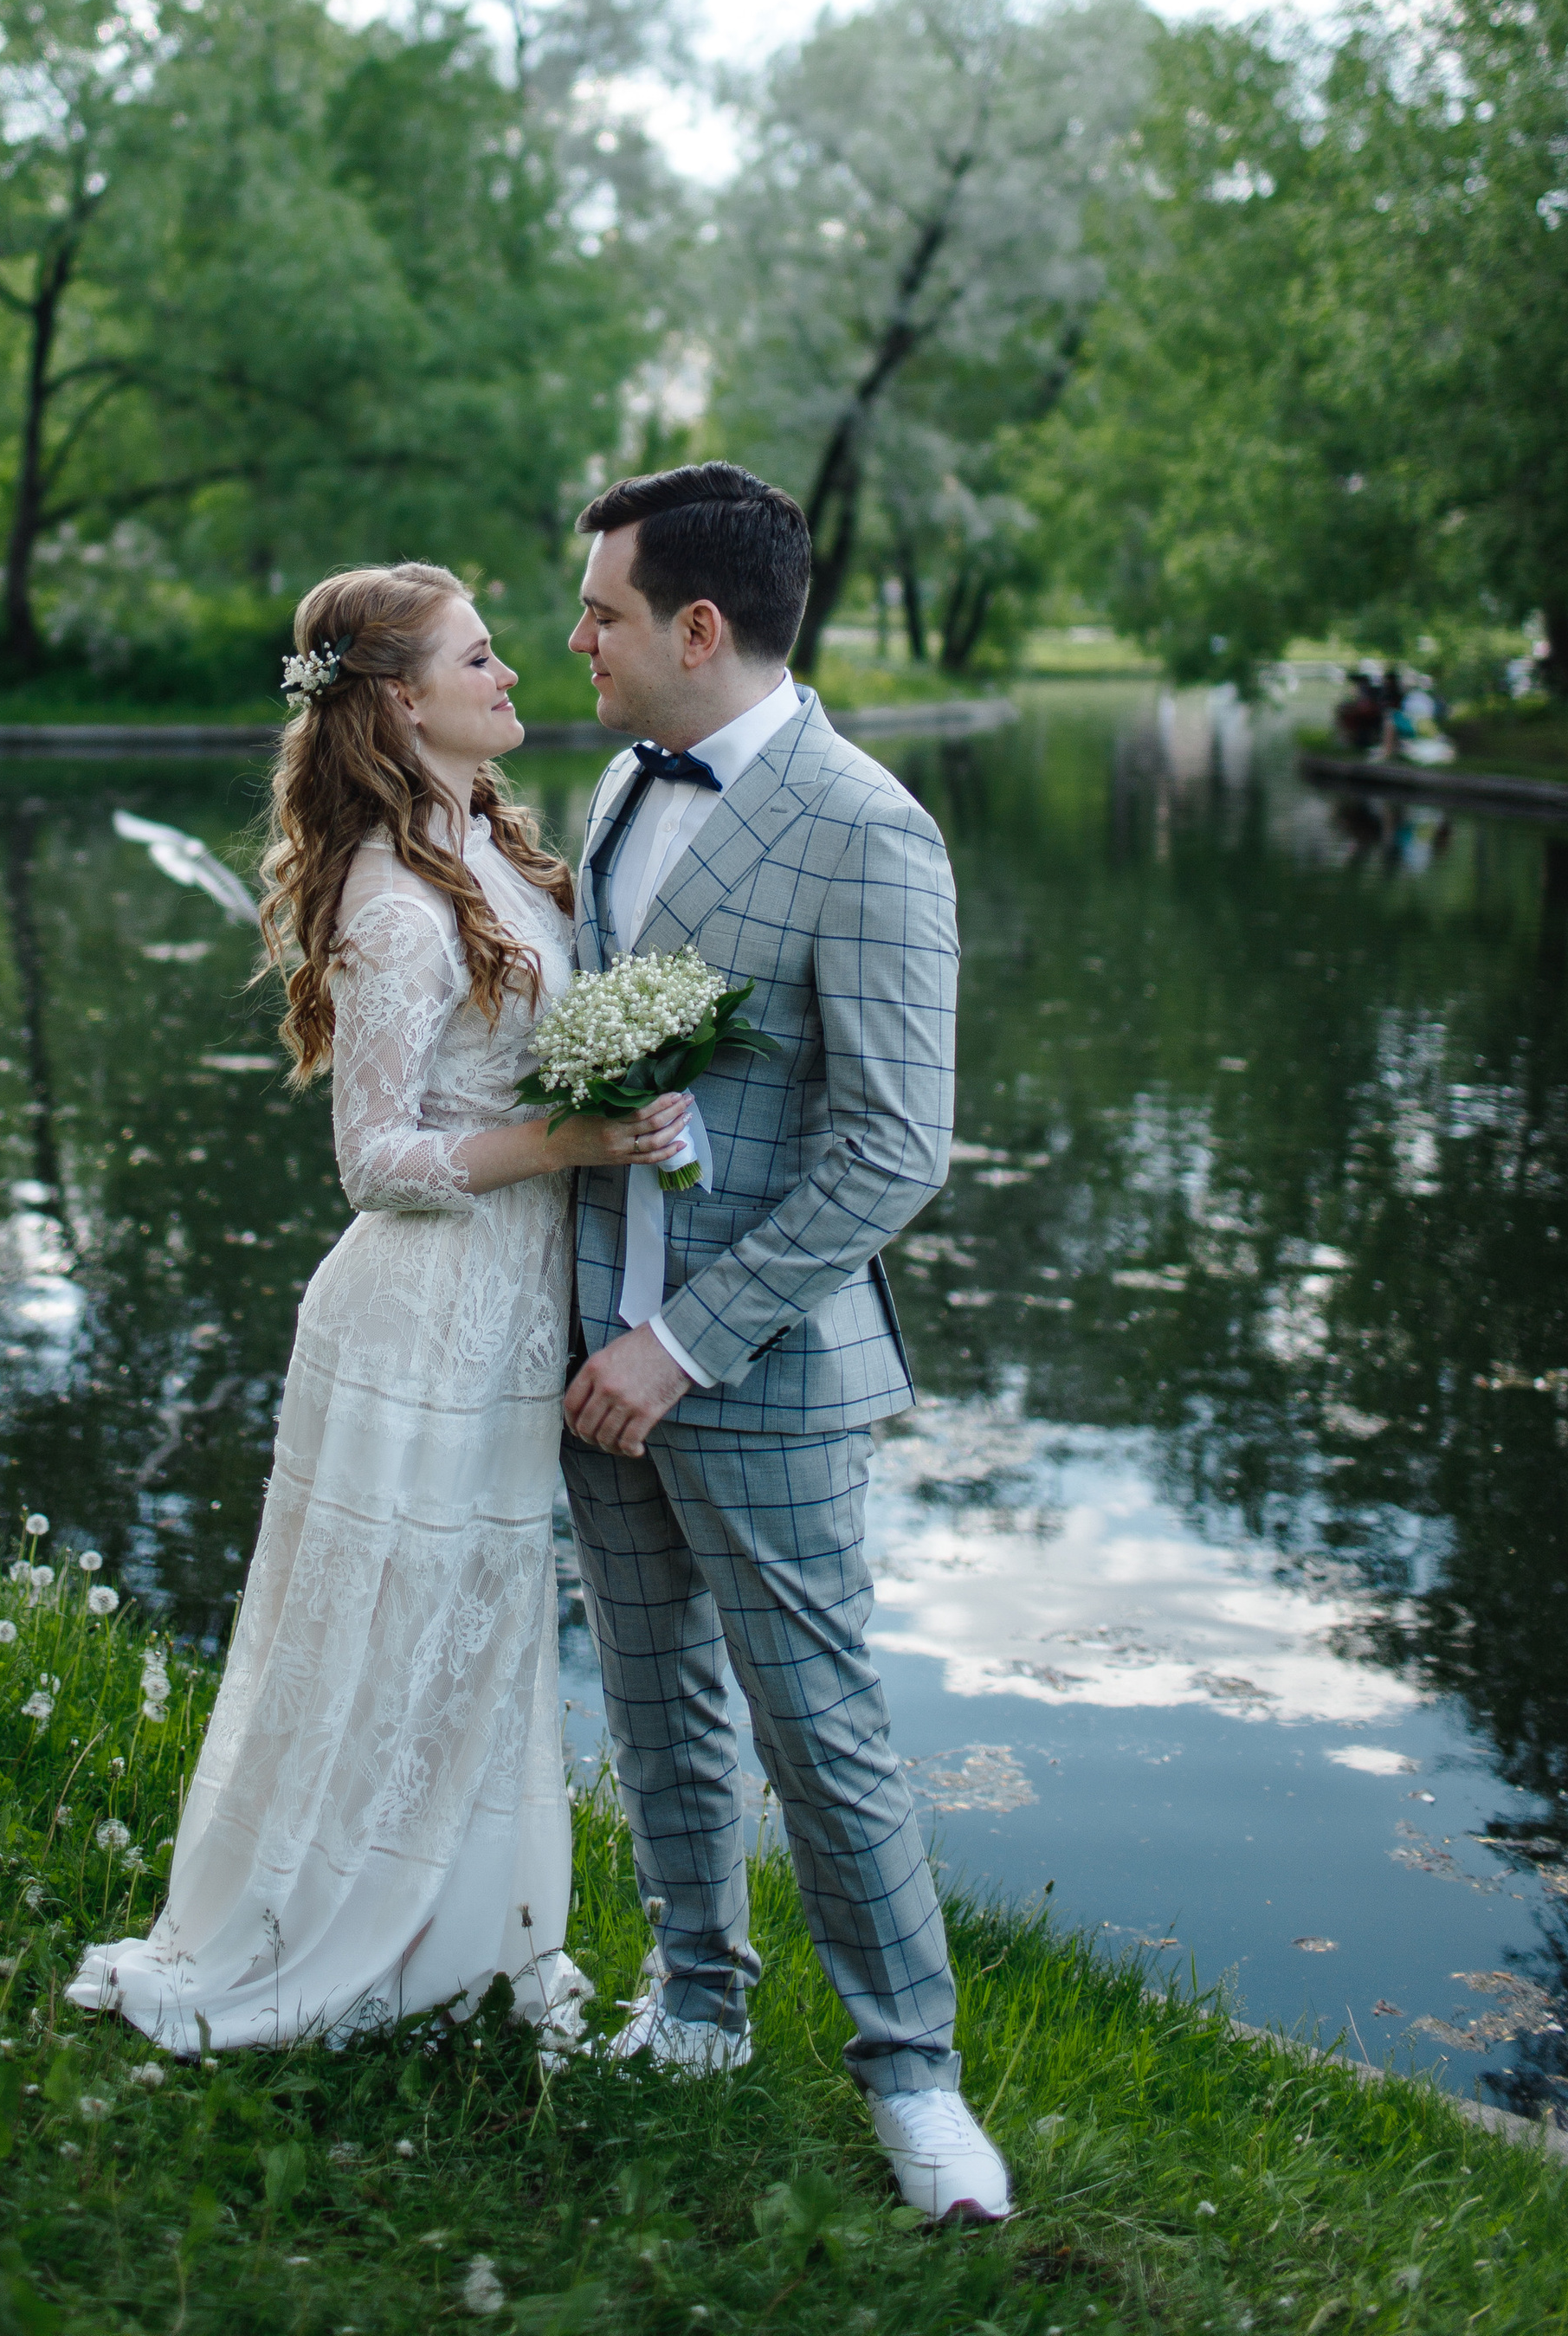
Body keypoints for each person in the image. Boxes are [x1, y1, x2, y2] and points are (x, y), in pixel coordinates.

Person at [67, 560, 690, 2053]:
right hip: (417, 1317)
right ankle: (323, 1939)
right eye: (482, 658)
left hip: (504, 1306)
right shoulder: (395, 900)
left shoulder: (489, 842)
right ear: (402, 699)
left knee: (470, 1632)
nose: (517, 675)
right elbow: (374, 1158)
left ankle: (454, 1940)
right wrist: (572, 1139)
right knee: (385, 1636)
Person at [558, 462, 1012, 2227]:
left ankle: (912, 2076)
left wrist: (683, 1340)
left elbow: (894, 1146)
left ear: (694, 626)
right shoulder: (612, 787)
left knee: (816, 1724)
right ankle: (695, 2001)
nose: (573, 641)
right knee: (654, 1706)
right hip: (588, 1347)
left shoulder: (867, 827)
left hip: (750, 1368)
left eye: (599, 612)